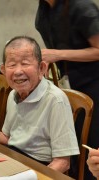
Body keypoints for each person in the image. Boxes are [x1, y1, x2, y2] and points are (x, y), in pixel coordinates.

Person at [0, 36, 79, 173]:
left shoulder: (55, 100)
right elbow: (7, 138)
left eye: (25, 63)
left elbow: (62, 162)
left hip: (41, 166)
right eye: (12, 65)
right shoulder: (13, 94)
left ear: (42, 68)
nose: (18, 71)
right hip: (14, 158)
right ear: (3, 70)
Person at [35, 0, 99, 179]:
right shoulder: (45, 8)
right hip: (70, 82)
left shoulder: (81, 6)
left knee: (92, 145)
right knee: (77, 143)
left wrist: (58, 54)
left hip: (94, 84)